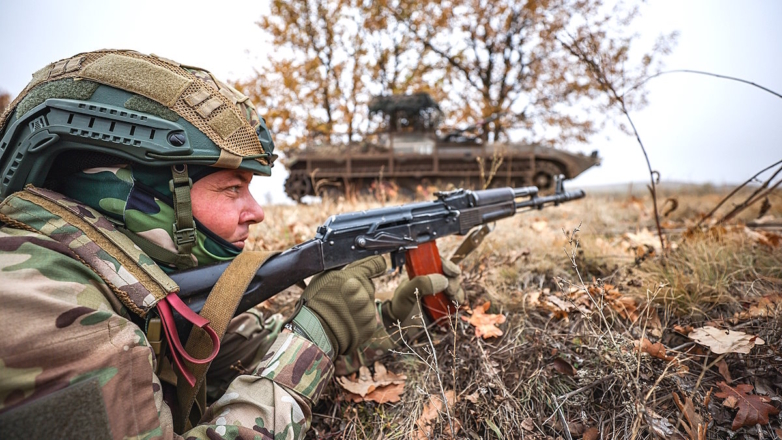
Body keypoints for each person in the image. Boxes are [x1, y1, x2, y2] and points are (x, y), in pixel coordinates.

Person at [0, 50, 462, 439]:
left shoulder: (135, 285)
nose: (257, 211)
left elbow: (256, 349)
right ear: (141, 197)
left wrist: (387, 322)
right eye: (231, 189)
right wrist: (316, 329)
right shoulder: (47, 306)